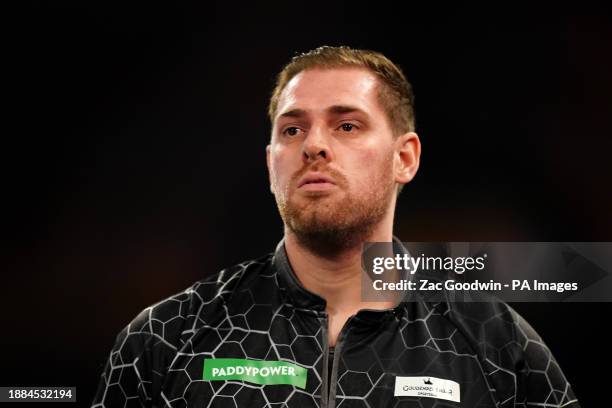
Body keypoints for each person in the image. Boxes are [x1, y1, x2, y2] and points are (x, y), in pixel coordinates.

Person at [92, 46, 580, 407]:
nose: (313, 146)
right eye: (292, 129)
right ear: (270, 163)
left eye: (346, 125)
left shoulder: (498, 344)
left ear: (404, 157)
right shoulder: (167, 337)